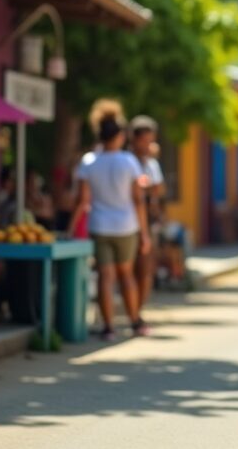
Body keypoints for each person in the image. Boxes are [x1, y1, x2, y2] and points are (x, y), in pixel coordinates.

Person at [76, 114, 151, 340]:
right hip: (127, 226)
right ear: (119, 136)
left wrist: (73, 227)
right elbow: (138, 199)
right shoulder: (128, 161)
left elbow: (83, 200)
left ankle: (108, 326)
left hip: (99, 225)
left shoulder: (89, 161)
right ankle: (135, 321)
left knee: (104, 276)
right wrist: (144, 232)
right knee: (126, 274)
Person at [129, 115, 165, 307]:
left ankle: (138, 311)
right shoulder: (126, 161)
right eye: (145, 140)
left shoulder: (151, 164)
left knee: (145, 270)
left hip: (147, 220)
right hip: (127, 221)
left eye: (151, 140)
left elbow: (159, 189)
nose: (148, 144)